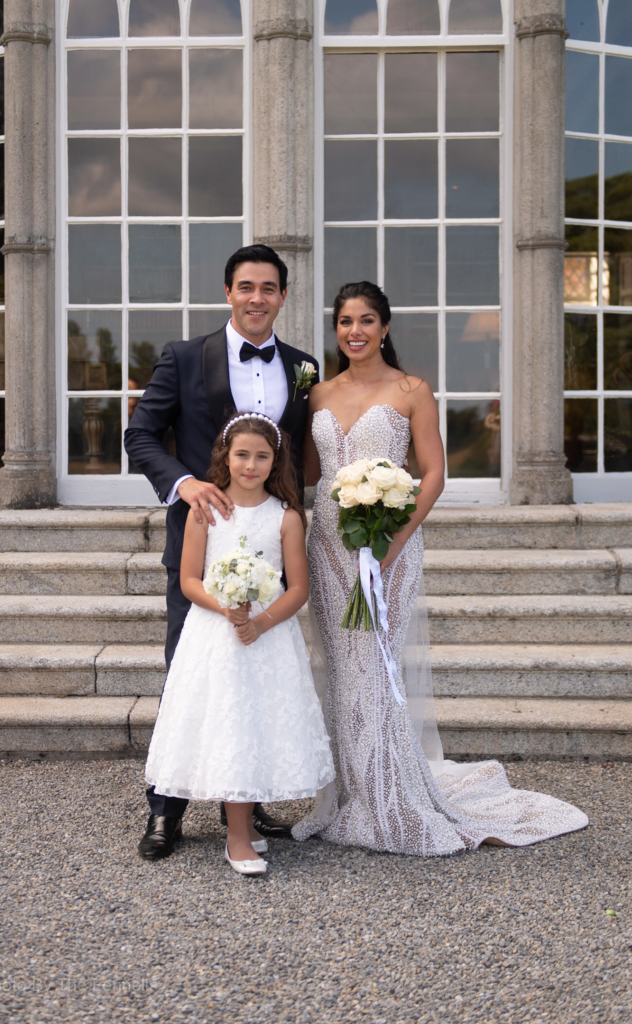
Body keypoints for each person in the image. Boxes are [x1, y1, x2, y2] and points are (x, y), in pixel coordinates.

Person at [292, 281, 588, 853]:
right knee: (342, 672)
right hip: (328, 546)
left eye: (367, 320)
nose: (355, 331)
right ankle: (355, 794)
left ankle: (394, 798)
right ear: (336, 330)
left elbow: (433, 475)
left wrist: (391, 545)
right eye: (345, 321)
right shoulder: (319, 395)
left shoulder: (411, 390)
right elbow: (310, 474)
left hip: (390, 547)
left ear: (385, 327)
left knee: (376, 670)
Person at [124, 244, 319, 860]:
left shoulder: (304, 366)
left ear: (283, 296)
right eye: (245, 286)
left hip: (269, 534)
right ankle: (166, 810)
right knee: (190, 675)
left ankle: (250, 796)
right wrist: (186, 485)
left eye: (268, 287)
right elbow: (140, 434)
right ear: (228, 292)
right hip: (203, 544)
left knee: (259, 680)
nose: (256, 297)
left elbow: (305, 451)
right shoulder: (184, 357)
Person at [144, 413, 334, 875]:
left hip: (267, 639)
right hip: (215, 636)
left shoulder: (286, 518)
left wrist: (261, 622)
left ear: (276, 462)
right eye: (242, 455)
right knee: (230, 723)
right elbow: (189, 580)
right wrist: (225, 606)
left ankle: (244, 826)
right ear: (225, 458)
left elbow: (297, 589)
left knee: (258, 724)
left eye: (262, 456)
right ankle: (235, 838)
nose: (251, 465)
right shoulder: (204, 511)